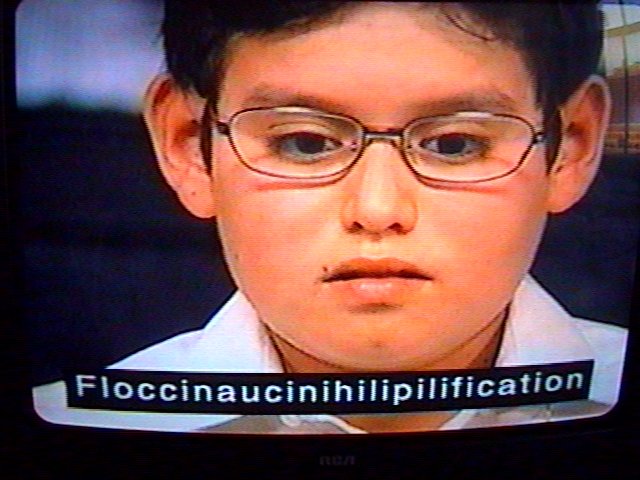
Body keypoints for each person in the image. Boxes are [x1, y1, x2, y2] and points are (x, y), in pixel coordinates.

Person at [34, 0, 627, 434]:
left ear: (570, 146)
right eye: (304, 143)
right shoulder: (79, 424)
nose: (377, 211)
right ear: (188, 145)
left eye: (455, 145)